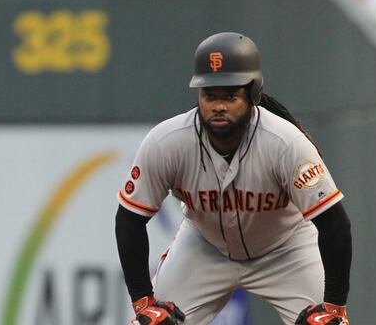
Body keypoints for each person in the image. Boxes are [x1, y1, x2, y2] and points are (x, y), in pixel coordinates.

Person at [115, 32, 352, 324]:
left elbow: (334, 223)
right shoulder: (167, 141)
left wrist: (335, 306)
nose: (218, 105)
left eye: (229, 95)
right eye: (209, 95)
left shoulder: (284, 142)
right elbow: (129, 218)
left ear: (252, 95)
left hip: (286, 248)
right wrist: (143, 301)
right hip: (205, 246)